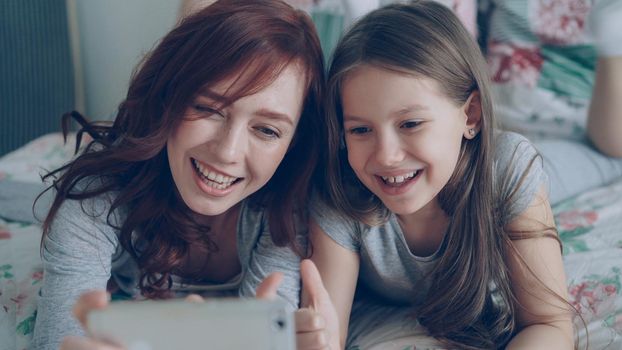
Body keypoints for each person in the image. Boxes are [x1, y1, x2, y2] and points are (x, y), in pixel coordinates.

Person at [32, 1, 336, 349]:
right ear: (168, 97)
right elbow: (60, 339)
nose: (227, 152)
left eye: (267, 130)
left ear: (294, 143)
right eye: (207, 108)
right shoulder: (98, 194)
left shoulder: (288, 207)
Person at [310, 1, 575, 349]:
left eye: (411, 124)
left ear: (471, 115)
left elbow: (549, 323)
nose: (386, 156)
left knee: (590, 169)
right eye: (360, 130)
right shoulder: (340, 189)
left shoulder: (507, 167)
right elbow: (329, 336)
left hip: (524, 163)